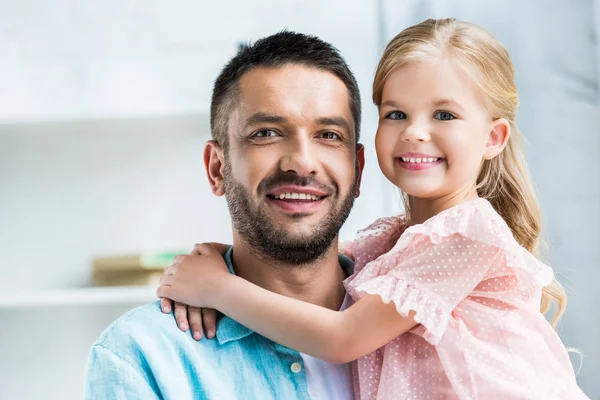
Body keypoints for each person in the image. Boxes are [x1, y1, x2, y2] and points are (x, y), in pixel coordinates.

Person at [157, 19, 589, 399]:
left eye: (444, 115)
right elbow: (298, 254)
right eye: (397, 113)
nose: (415, 133)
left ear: (493, 138)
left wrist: (217, 288)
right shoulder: (392, 244)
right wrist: (217, 258)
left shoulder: (467, 234)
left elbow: (342, 338)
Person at [84, 31, 365, 400]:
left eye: (328, 135)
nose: (302, 162)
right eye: (266, 133)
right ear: (217, 168)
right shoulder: (141, 355)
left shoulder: (423, 323)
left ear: (358, 170)